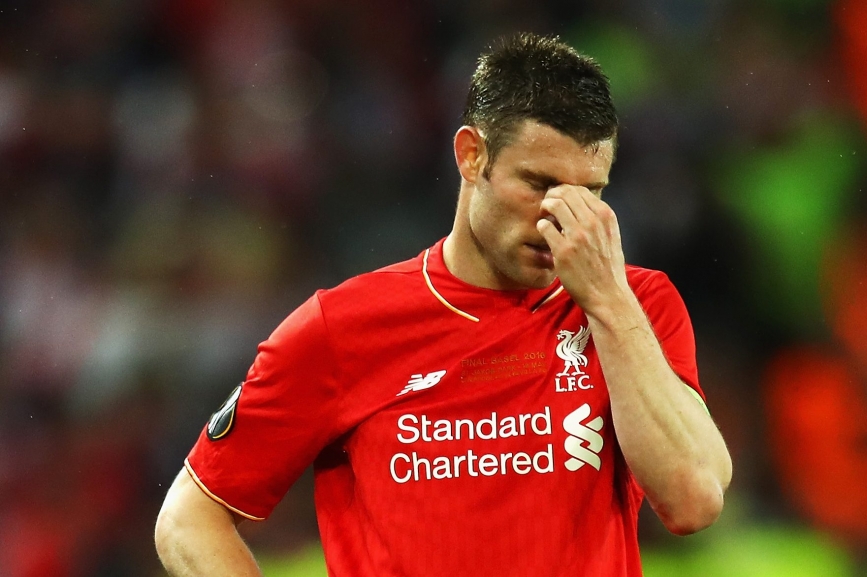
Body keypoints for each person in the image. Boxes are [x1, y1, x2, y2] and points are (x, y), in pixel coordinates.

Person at [154, 32, 732, 576]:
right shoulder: (343, 328)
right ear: (471, 156)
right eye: (538, 183)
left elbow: (693, 500)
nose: (563, 218)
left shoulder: (637, 306)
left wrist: (607, 301)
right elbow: (190, 516)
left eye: (590, 193)